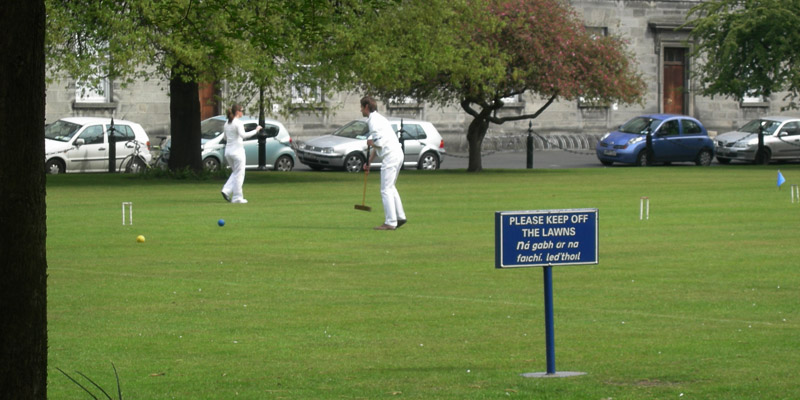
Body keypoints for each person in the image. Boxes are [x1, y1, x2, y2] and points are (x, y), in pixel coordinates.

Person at [362, 96, 406, 230]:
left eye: (362, 107)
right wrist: (368, 162)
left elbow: (379, 143)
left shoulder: (373, 122)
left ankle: (390, 222)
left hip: (390, 156)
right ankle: (400, 217)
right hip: (397, 153)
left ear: (367, 107)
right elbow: (380, 144)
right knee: (391, 187)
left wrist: (370, 142)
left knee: (385, 189)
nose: (361, 110)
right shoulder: (380, 119)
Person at [221, 104, 261, 204]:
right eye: (242, 110)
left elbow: (225, 138)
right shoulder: (238, 123)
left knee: (235, 173)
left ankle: (226, 190)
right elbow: (243, 135)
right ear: (237, 112)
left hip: (228, 152)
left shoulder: (227, 123)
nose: (243, 112)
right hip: (237, 152)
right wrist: (256, 130)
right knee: (239, 174)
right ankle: (237, 197)